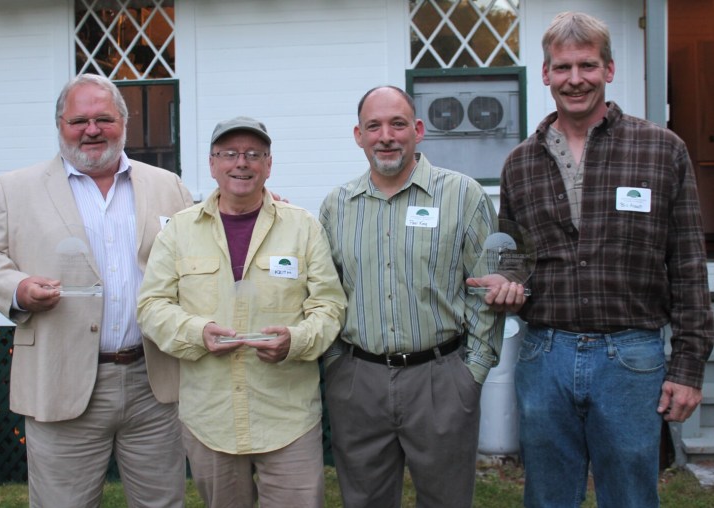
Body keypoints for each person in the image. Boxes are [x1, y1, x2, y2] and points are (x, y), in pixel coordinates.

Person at [471, 11, 714, 507]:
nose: (574, 80)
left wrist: (688, 368)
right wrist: (506, 285)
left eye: (586, 65)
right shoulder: (520, 162)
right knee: (548, 497)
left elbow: (689, 267)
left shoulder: (661, 150)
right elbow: (517, 259)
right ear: (545, 74)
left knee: (630, 496)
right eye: (562, 68)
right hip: (543, 355)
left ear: (609, 69)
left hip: (631, 356)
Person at [0, 74, 193, 507]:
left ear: (124, 123)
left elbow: (206, 240)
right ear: (60, 125)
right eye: (79, 120)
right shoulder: (15, 189)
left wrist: (256, 203)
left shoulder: (168, 186)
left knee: (162, 502)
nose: (92, 129)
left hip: (155, 381)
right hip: (59, 376)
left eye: (104, 118)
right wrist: (18, 288)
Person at [319, 85, 521, 508]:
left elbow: (488, 289)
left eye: (397, 124)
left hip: (441, 379)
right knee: (364, 500)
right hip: (358, 381)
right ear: (358, 135)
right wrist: (336, 365)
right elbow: (326, 292)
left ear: (418, 130)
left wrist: (472, 373)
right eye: (374, 126)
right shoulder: (337, 206)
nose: (386, 136)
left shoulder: (463, 196)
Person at [136, 116, 346, 508]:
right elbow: (151, 306)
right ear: (212, 164)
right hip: (210, 417)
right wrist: (197, 333)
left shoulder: (303, 227)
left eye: (253, 154)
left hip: (287, 417)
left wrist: (295, 342)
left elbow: (329, 305)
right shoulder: (180, 231)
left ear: (269, 164)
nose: (241, 163)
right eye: (229, 153)